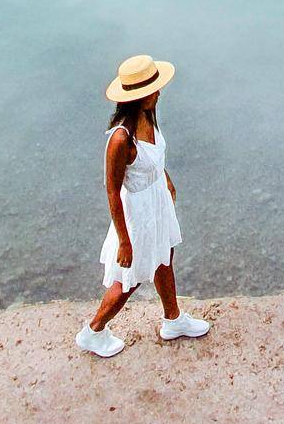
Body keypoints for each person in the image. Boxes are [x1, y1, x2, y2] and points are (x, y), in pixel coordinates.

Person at [75, 53, 210, 357]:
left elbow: (154, 158)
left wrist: (166, 179)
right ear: (137, 97)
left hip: (157, 202)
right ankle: (93, 331)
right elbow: (112, 191)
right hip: (137, 214)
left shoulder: (148, 117)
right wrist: (124, 241)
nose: (159, 93)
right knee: (129, 279)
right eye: (153, 89)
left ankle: (173, 319)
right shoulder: (121, 140)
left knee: (164, 258)